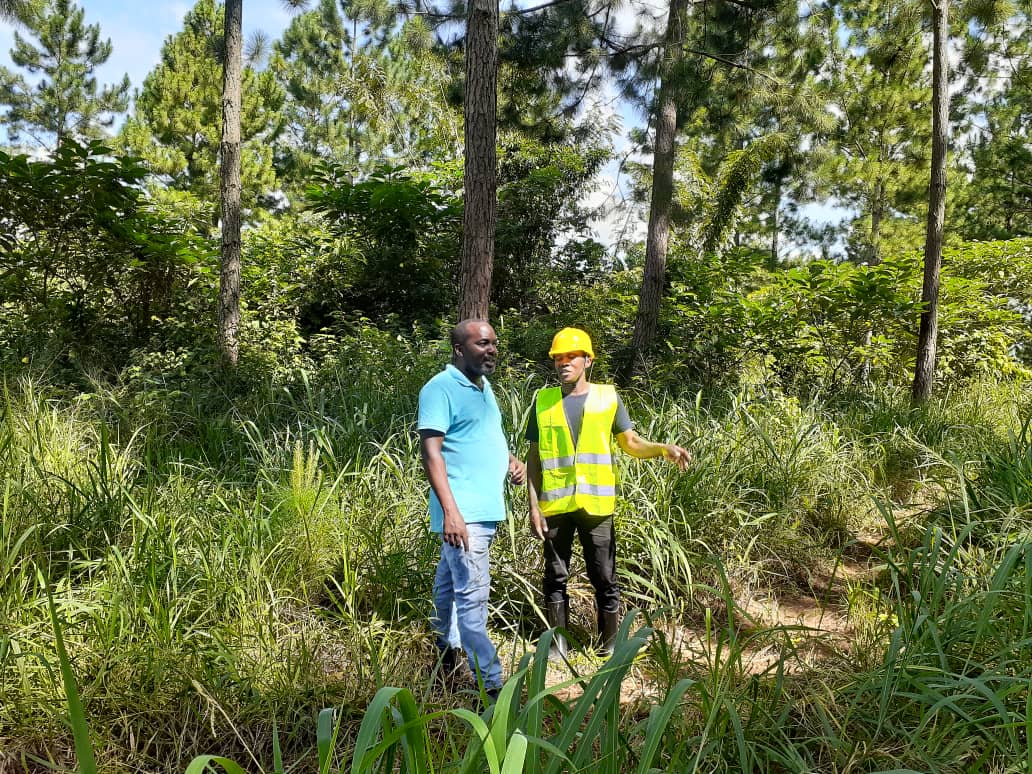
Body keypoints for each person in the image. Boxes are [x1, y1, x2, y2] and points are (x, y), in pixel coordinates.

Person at [526, 327, 690, 658]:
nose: (564, 363)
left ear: (587, 360)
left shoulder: (607, 397)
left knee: (604, 574)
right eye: (559, 357)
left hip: (597, 504)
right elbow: (533, 457)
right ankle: (556, 644)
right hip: (555, 504)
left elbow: (631, 443)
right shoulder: (542, 402)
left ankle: (609, 642)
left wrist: (661, 449)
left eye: (572, 356)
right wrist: (533, 506)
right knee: (555, 575)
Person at [418, 319, 526, 696]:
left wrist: (509, 459)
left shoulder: (484, 387)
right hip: (465, 516)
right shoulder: (440, 389)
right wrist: (451, 512)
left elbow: (485, 435)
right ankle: (492, 688)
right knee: (473, 598)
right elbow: (431, 454)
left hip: (483, 510)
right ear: (459, 350)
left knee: (448, 590)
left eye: (494, 343)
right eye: (482, 344)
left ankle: (443, 662)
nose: (492, 350)